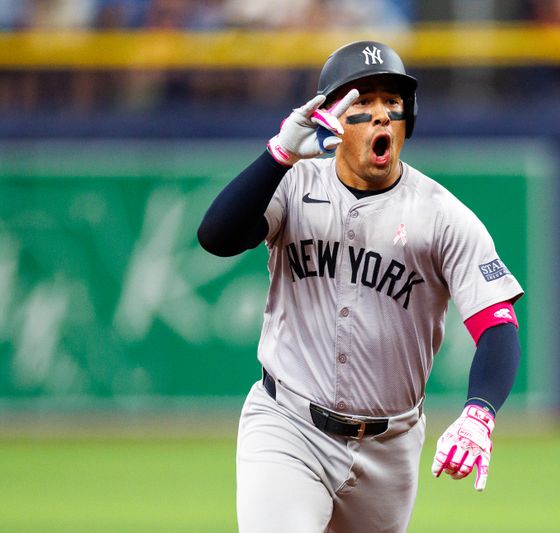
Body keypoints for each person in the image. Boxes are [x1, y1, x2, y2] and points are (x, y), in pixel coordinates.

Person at [197, 40, 524, 533]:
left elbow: (497, 326)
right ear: (330, 117)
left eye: (391, 103)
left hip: (390, 449)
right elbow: (216, 238)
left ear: (407, 119)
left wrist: (480, 413)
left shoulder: (442, 217)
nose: (379, 116)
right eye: (361, 101)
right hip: (289, 425)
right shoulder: (293, 185)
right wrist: (279, 154)